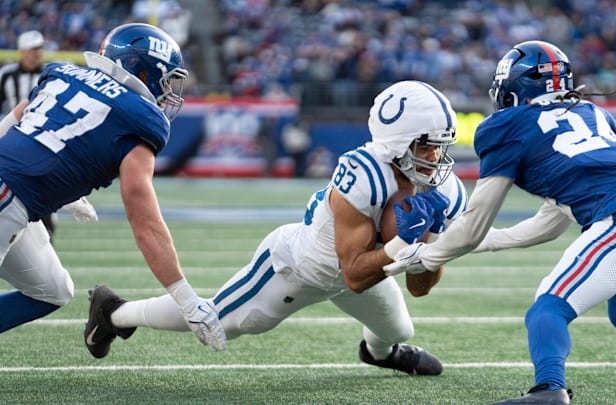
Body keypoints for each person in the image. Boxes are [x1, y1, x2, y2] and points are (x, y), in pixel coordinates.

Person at [83, 80, 467, 376]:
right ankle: (114, 312)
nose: (438, 157)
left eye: (441, 145)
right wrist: (404, 240)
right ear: (398, 143)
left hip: (367, 267)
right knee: (216, 323)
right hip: (296, 268)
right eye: (428, 146)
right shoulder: (363, 174)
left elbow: (419, 288)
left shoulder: (445, 188)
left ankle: (379, 355)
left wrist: (430, 240)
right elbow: (353, 273)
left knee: (400, 329)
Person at [384, 41, 616, 404]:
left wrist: (425, 255)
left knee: (548, 306)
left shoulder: (506, 125)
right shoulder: (592, 112)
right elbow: (554, 219)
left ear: (516, 86)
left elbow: (473, 224)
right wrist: (485, 241)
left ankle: (550, 389)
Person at [0, 23, 226, 352]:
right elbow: (146, 224)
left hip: (15, 201)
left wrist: (57, 186)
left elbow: (15, 120)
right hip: (9, 198)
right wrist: (188, 301)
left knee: (51, 289)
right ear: (144, 71)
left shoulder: (65, 73)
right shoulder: (139, 119)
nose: (169, 93)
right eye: (167, 81)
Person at [0, 30, 57, 241]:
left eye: (40, 48)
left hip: (44, 139)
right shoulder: (6, 75)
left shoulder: (52, 74)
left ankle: (46, 235)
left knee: (44, 187)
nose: (37, 53)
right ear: (22, 52)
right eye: (33, 49)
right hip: (14, 138)